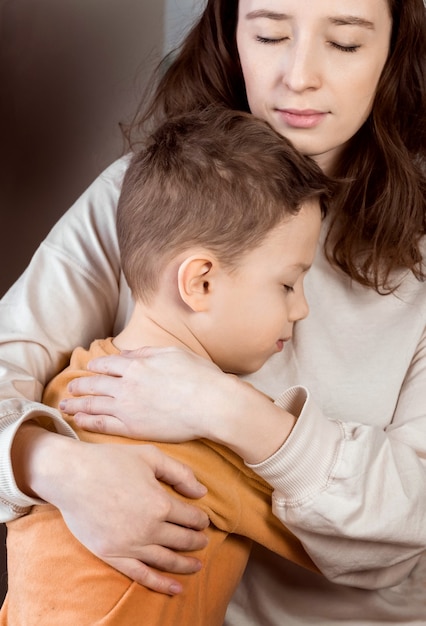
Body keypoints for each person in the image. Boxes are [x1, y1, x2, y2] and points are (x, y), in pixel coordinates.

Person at [0, 0, 425, 624]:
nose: (299, 74)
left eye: (344, 43)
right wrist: (55, 467)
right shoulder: (146, 195)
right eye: (271, 34)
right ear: (231, 38)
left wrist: (224, 410)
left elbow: (410, 524)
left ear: (394, 55)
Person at [1, 106, 329, 625]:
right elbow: (346, 536)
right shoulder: (214, 436)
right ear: (200, 282)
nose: (302, 309)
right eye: (288, 284)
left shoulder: (73, 384)